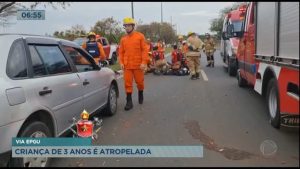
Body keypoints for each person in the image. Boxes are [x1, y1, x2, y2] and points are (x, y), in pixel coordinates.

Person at [118, 17, 148, 111]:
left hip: (138, 65)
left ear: (133, 26)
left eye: (128, 26)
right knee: (127, 84)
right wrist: (121, 62)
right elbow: (121, 52)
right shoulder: (123, 39)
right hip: (127, 66)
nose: (127, 28)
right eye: (125, 26)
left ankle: (140, 92)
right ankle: (129, 101)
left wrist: (144, 62)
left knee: (140, 82)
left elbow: (144, 50)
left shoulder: (140, 36)